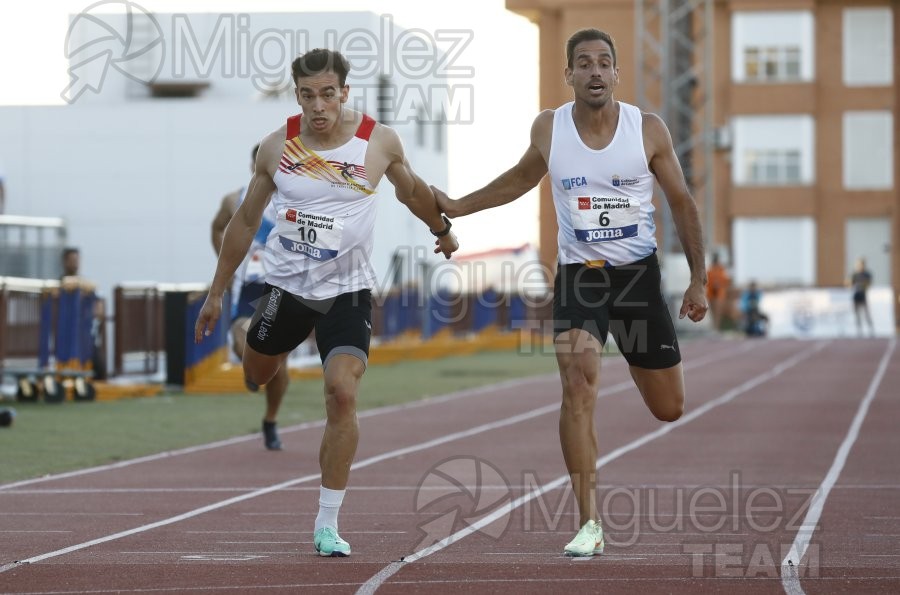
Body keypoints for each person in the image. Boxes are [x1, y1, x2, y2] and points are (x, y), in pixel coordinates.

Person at [432, 28, 708, 557]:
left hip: (637, 278)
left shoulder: (646, 129)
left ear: (617, 74)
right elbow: (517, 180)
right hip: (581, 276)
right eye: (584, 63)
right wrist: (460, 206)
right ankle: (589, 522)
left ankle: (639, 354)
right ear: (570, 75)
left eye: (605, 62)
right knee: (578, 382)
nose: (595, 71)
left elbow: (682, 201)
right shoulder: (550, 128)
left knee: (668, 408)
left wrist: (697, 278)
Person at [194, 48, 459, 557]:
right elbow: (244, 223)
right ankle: (257, 362)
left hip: (348, 291)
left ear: (344, 92)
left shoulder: (377, 142)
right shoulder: (276, 148)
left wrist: (441, 229)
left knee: (341, 393)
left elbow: (412, 192)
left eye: (328, 94)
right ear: (297, 95)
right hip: (286, 290)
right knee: (258, 372)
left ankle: (327, 522)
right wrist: (216, 293)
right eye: (308, 95)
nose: (319, 106)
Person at [211, 144, 287, 450]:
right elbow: (217, 227)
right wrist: (225, 266)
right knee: (243, 339)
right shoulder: (235, 200)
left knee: (279, 364)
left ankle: (270, 420)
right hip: (249, 287)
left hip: (285, 289)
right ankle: (252, 366)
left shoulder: (297, 200)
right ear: (254, 165)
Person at [61, 247, 107, 380]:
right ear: (64, 262)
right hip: (66, 335)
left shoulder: (85, 285)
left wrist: (96, 312)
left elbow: (98, 305)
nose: (75, 263)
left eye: (77, 260)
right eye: (71, 260)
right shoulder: (60, 284)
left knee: (98, 363)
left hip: (85, 333)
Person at [849, 257, 874, 336]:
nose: (859, 266)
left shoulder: (867, 274)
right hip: (856, 296)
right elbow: (850, 283)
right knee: (857, 315)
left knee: (867, 314)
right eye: (858, 264)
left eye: (861, 264)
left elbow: (869, 283)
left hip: (863, 296)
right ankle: (859, 331)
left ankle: (871, 330)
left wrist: (863, 285)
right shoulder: (855, 274)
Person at [706, 253, 730, 331]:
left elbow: (726, 281)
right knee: (713, 311)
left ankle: (717, 327)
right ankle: (714, 327)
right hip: (711, 293)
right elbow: (706, 281)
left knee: (718, 311)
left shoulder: (722, 270)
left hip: (719, 293)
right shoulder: (710, 270)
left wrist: (718, 283)